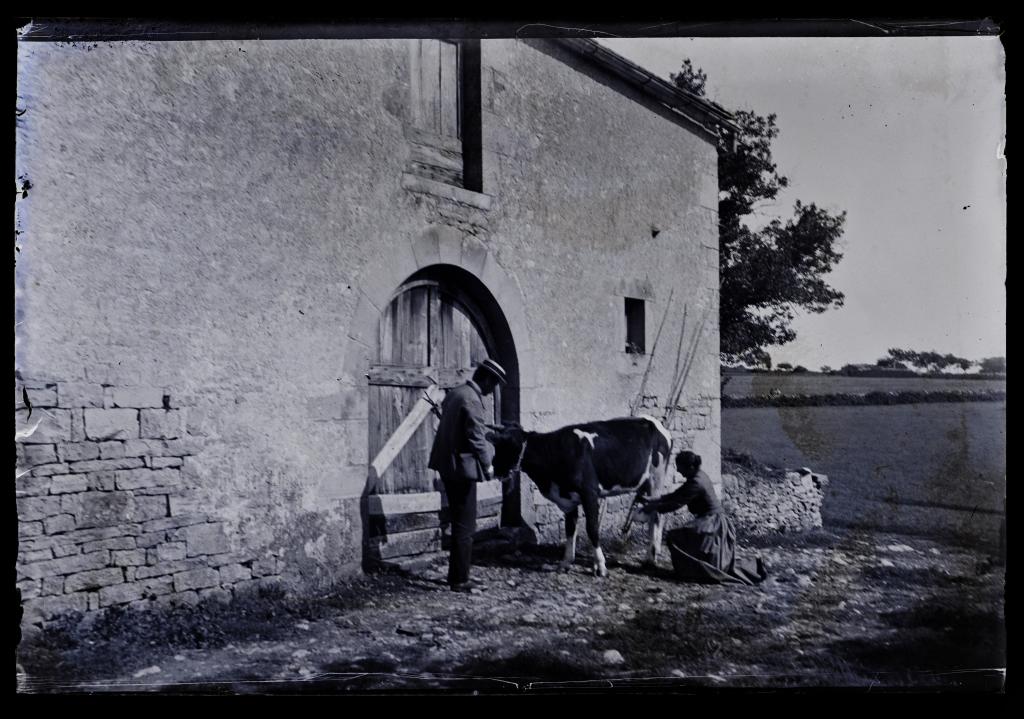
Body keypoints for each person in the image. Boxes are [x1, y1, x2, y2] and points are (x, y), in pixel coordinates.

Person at [428, 358, 507, 592]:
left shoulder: (457, 392)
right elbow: (475, 437)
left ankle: (457, 575)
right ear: (486, 378)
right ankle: (460, 579)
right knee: (466, 525)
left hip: (448, 466)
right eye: (494, 385)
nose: (493, 391)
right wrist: (489, 466)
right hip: (461, 470)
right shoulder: (472, 398)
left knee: (459, 522)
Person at [636, 450, 767, 585]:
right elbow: (675, 495)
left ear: (690, 467)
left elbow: (676, 504)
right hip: (711, 520)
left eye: (680, 467)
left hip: (713, 522)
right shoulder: (697, 476)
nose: (678, 471)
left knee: (675, 537)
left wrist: (652, 508)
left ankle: (694, 572)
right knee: (693, 543)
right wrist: (650, 499)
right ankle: (699, 569)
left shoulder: (696, 483)